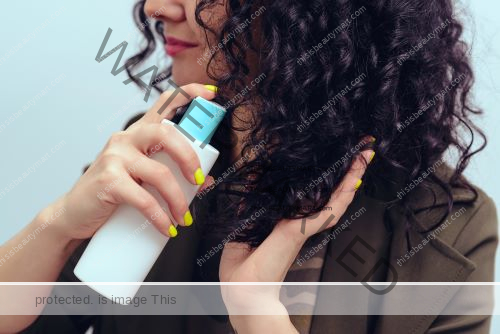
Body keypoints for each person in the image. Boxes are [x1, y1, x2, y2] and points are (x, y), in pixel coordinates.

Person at [0, 0, 497, 333]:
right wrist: (57, 224)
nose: (154, 6)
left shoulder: (450, 230)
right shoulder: (157, 153)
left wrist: (258, 314)